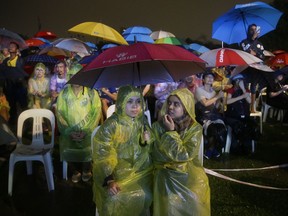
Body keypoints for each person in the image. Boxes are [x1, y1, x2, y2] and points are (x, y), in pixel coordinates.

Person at [92, 85, 153, 216]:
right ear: (121, 102)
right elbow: (102, 152)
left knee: (146, 194)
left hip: (139, 172)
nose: (135, 106)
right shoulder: (112, 124)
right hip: (115, 173)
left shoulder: (142, 120)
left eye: (138, 101)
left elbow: (146, 148)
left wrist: (146, 140)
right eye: (129, 101)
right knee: (115, 198)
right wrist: (109, 179)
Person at [151, 88, 210, 215]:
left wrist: (171, 133)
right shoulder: (158, 126)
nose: (171, 107)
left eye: (176, 104)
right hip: (164, 173)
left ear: (186, 107)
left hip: (188, 172)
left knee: (196, 193)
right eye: (169, 103)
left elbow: (185, 155)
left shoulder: (194, 129)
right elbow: (155, 153)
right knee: (170, 200)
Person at [56, 63, 102, 183]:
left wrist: (86, 131)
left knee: (87, 149)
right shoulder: (64, 94)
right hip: (68, 132)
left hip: (87, 131)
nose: (76, 78)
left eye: (79, 75)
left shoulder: (91, 93)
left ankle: (87, 170)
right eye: (72, 75)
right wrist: (69, 131)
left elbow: (96, 113)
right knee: (67, 147)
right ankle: (75, 171)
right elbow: (60, 114)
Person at [195, 71, 227, 159]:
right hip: (202, 116)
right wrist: (217, 97)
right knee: (212, 129)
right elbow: (205, 103)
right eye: (207, 77)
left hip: (213, 115)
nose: (210, 79)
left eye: (212, 77)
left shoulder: (213, 92)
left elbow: (215, 107)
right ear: (203, 79)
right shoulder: (199, 90)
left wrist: (221, 99)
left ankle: (212, 149)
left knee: (220, 129)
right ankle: (211, 150)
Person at [225, 74, 260, 154]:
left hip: (244, 115)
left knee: (252, 126)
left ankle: (247, 145)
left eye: (242, 81)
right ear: (235, 82)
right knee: (239, 126)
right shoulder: (231, 90)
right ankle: (236, 146)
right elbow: (227, 101)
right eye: (239, 81)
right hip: (233, 115)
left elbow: (250, 101)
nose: (241, 82)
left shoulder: (246, 90)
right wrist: (241, 97)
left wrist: (244, 90)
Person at [240, 24, 267, 113]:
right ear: (249, 31)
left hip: (256, 69)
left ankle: (253, 108)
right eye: (252, 30)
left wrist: (255, 53)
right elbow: (246, 51)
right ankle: (244, 107)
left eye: (255, 29)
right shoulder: (244, 42)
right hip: (246, 69)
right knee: (245, 87)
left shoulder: (260, 44)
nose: (254, 31)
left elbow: (262, 56)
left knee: (254, 88)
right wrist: (251, 41)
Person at [1, 42, 28, 125]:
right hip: (10, 87)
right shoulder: (5, 61)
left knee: (23, 105)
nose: (10, 47)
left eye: (13, 46)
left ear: (17, 50)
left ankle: (26, 123)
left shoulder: (21, 60)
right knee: (12, 106)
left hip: (20, 87)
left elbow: (19, 71)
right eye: (9, 46)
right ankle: (13, 123)